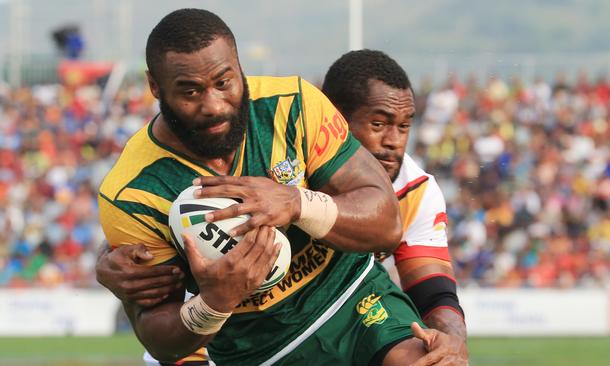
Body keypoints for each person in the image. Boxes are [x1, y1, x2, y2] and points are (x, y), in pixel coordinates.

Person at [98, 8, 444, 366]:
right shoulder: (131, 193)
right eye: (190, 91)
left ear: (239, 66)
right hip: (256, 351)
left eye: (224, 82)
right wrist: (213, 303)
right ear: (155, 85)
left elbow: (387, 224)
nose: (213, 105)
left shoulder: (293, 104)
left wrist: (297, 203)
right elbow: (158, 338)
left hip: (355, 300)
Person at [322, 49, 467, 361]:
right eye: (378, 124)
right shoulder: (285, 171)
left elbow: (433, 290)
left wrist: (452, 341)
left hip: (348, 319)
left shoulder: (416, 191)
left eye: (403, 127)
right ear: (333, 119)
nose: (394, 141)